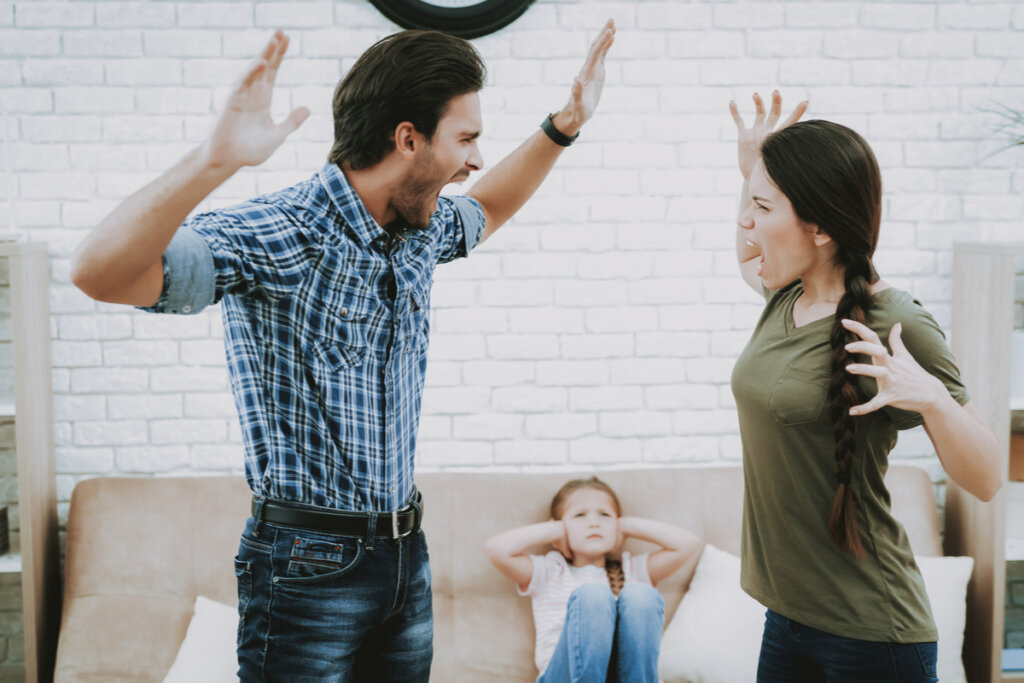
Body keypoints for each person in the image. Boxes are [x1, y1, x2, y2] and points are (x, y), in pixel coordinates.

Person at [69, 22, 615, 682]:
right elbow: (98, 273)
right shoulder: (280, 233)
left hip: (403, 555)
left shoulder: (419, 223)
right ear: (408, 138)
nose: (474, 157)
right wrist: (214, 161)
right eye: (465, 138)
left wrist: (563, 126)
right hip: (306, 564)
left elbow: (490, 207)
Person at [727, 91, 1003, 682]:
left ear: (820, 225)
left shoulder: (892, 320)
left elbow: (986, 477)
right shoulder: (786, 295)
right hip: (789, 618)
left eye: (763, 206)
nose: (748, 222)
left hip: (873, 636)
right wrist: (749, 173)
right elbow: (749, 251)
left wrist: (927, 395)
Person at [485, 476, 700, 683]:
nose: (594, 523)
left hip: (626, 677)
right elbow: (497, 549)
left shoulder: (632, 570)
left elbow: (687, 544)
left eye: (604, 515)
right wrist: (557, 531)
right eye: (580, 515)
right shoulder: (550, 572)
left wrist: (625, 526)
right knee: (594, 594)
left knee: (642, 594)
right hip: (563, 678)